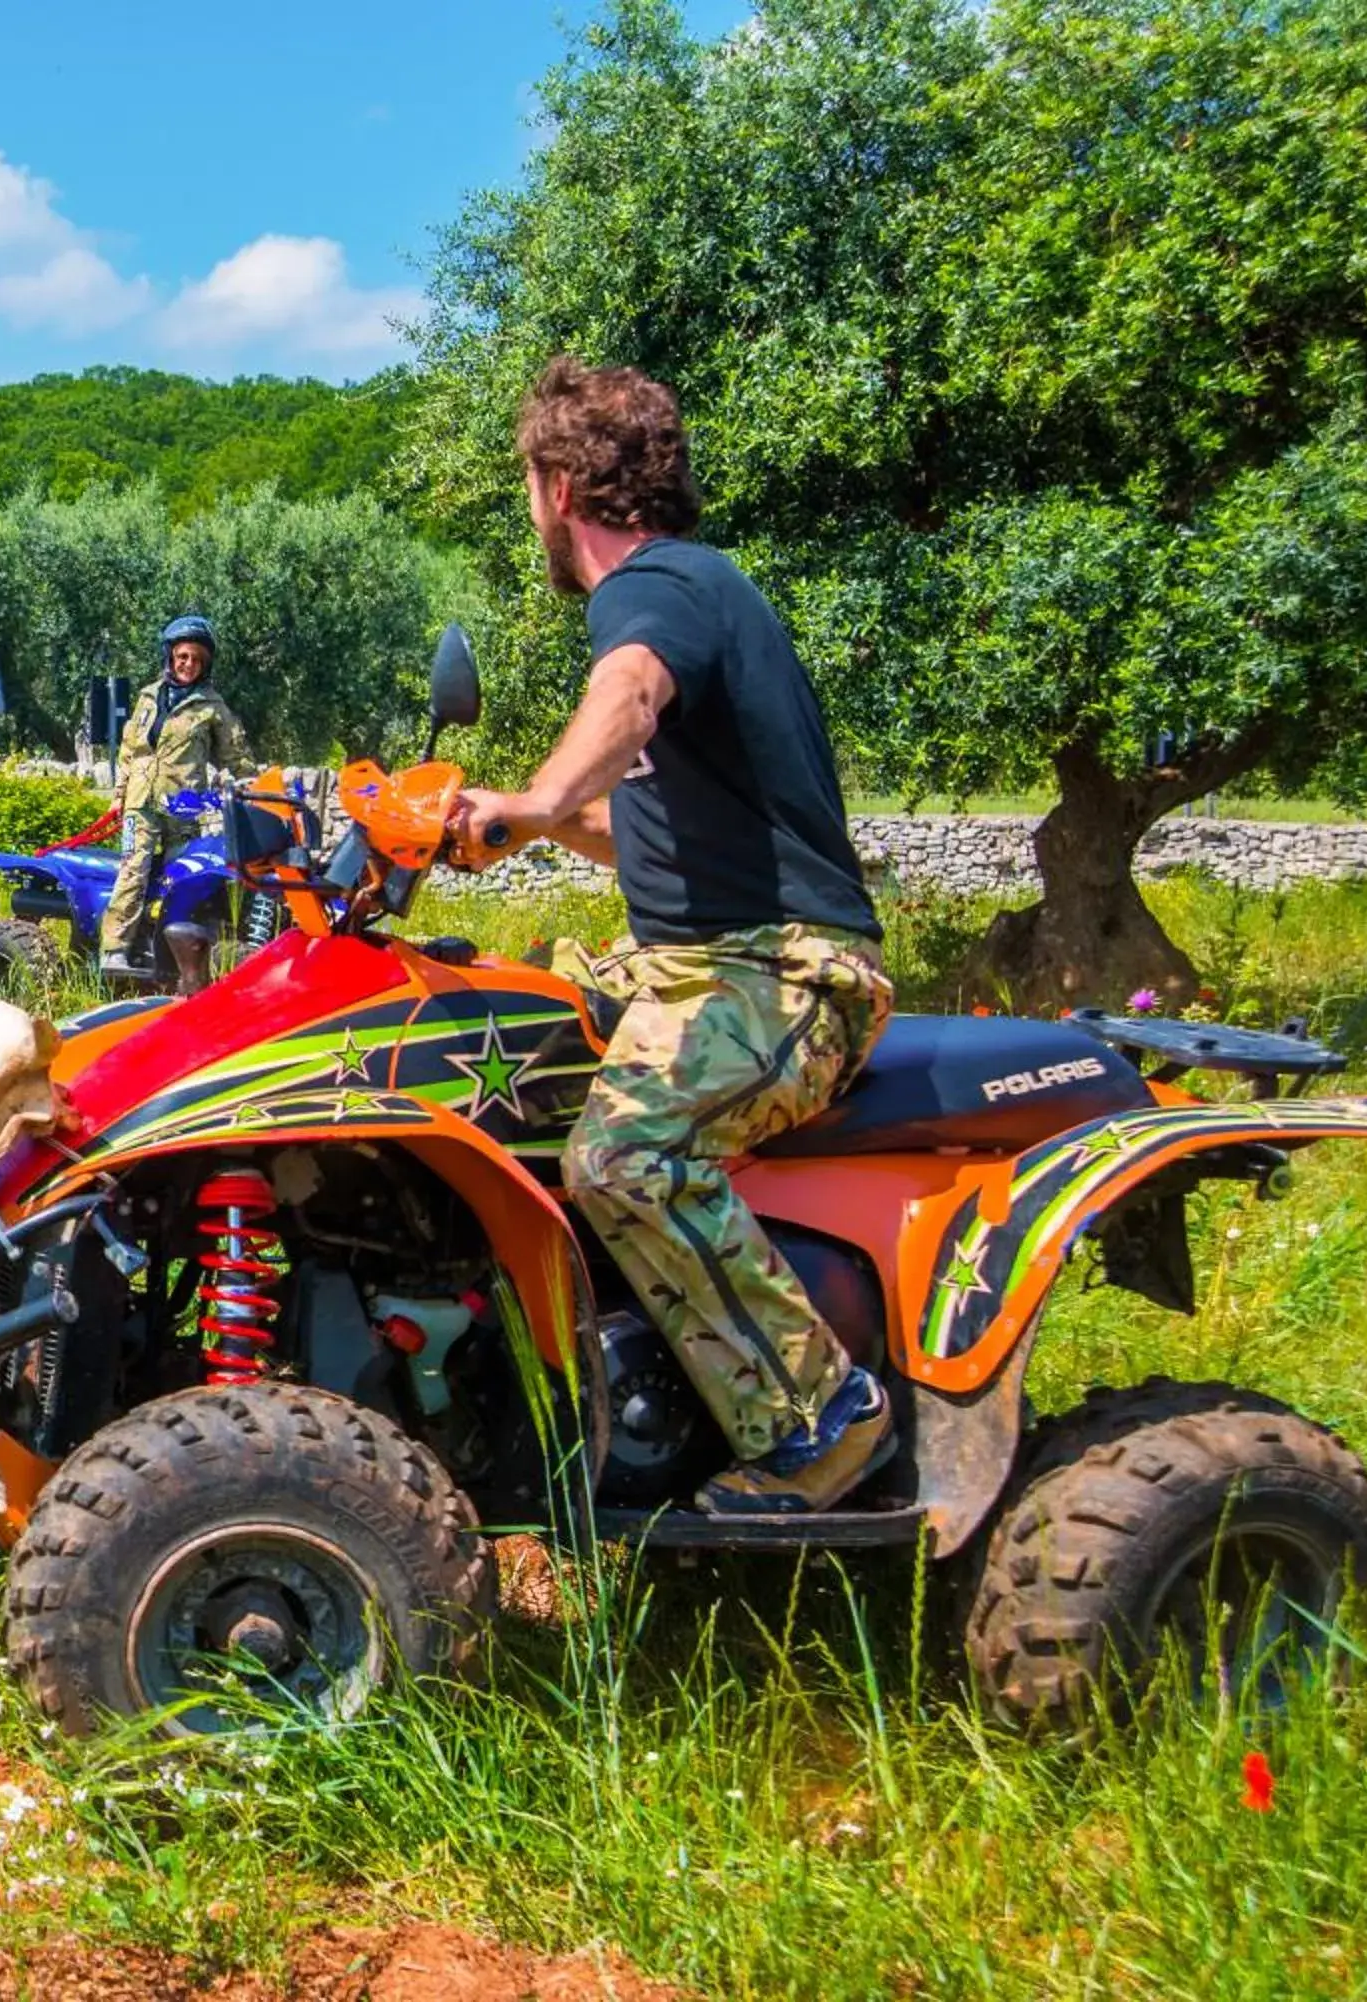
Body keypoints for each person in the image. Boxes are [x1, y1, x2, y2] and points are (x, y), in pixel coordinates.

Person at [453, 357, 896, 1514]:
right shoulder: (691, 593)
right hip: (701, 961)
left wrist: (537, 802)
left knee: (624, 1155)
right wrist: (505, 819)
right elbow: (637, 825)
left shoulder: (656, 591)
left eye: (527, 489)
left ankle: (820, 1422)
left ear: (557, 486)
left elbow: (630, 694)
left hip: (787, 973)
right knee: (496, 1044)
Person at [101, 613, 251, 977]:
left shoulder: (211, 707)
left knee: (180, 881)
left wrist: (259, 788)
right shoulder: (147, 698)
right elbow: (130, 750)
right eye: (183, 656)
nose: (189, 665)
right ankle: (115, 949)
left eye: (197, 659)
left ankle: (173, 958)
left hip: (183, 808)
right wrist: (119, 794)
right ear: (170, 656)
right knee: (133, 870)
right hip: (141, 802)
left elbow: (237, 755)